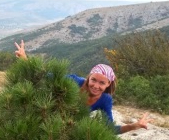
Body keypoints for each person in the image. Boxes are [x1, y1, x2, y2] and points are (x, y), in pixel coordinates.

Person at [14, 40, 152, 134]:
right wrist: (25, 59)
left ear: (108, 84)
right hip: (47, 120)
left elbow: (109, 129)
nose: (96, 86)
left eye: (102, 83)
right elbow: (46, 76)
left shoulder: (105, 100)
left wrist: (133, 126)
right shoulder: (74, 81)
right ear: (88, 77)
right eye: (93, 80)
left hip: (69, 129)